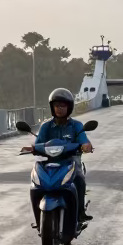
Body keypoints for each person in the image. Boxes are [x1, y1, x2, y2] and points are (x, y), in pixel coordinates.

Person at [23, 87, 94, 221]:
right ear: (52, 107)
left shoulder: (76, 126)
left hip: (70, 161)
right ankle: (38, 216)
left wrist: (86, 146)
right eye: (56, 106)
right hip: (48, 162)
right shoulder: (46, 126)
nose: (59, 108)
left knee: (79, 178)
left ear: (69, 107)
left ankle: (80, 212)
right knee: (35, 183)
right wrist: (31, 148)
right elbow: (38, 143)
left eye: (63, 106)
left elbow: (84, 140)